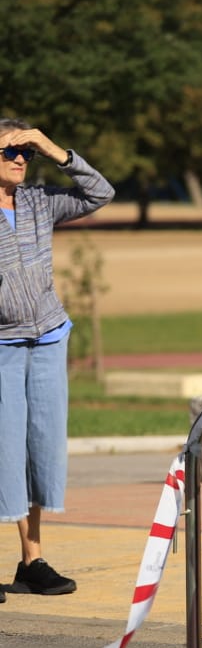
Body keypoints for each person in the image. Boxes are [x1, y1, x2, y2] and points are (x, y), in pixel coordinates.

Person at [0, 119, 114, 602]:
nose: (21, 159)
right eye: (11, 151)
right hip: (1, 346)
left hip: (48, 338)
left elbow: (99, 193)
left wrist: (54, 149)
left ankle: (32, 562)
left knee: (38, 450)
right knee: (2, 450)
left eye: (28, 152)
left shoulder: (37, 201)